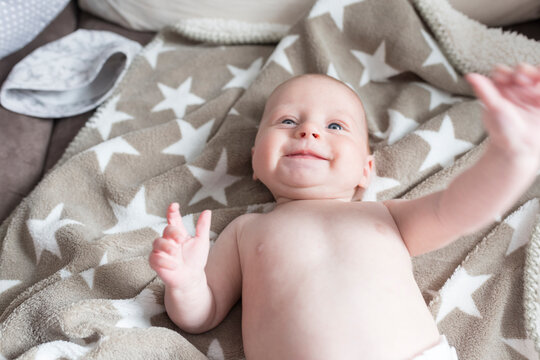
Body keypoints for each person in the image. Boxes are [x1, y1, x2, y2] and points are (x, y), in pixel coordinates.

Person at [149, 64, 540, 359]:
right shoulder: (245, 230)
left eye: (335, 126)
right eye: (287, 121)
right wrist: (184, 283)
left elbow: (458, 209)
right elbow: (203, 315)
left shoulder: (385, 217)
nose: (309, 131)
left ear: (365, 171)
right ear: (255, 160)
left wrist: (508, 159)